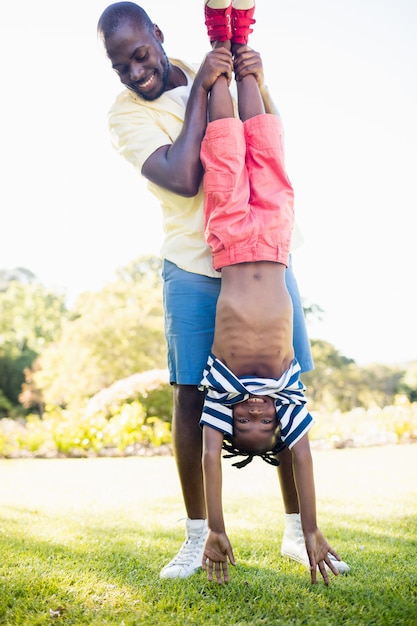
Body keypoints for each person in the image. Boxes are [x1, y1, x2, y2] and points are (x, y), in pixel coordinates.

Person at [97, 1, 349, 580]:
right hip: (194, 261)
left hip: (266, 254)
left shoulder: (207, 66)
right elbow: (185, 177)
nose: (135, 73)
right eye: (121, 67)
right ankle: (197, 535)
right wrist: (205, 90)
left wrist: (248, 69)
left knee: (289, 389)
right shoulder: (124, 115)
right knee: (190, 398)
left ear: (157, 37)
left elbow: (268, 144)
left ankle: (295, 530)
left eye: (139, 56)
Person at [198, 0, 347, 585]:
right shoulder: (285, 388)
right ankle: (249, 57)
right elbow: (302, 456)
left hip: (233, 241)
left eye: (250, 423)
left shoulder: (222, 388)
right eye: (269, 423)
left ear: (232, 420)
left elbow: (212, 458)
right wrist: (311, 527)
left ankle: (220, 46)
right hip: (277, 242)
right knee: (269, 147)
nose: (260, 414)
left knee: (227, 151)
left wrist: (217, 525)